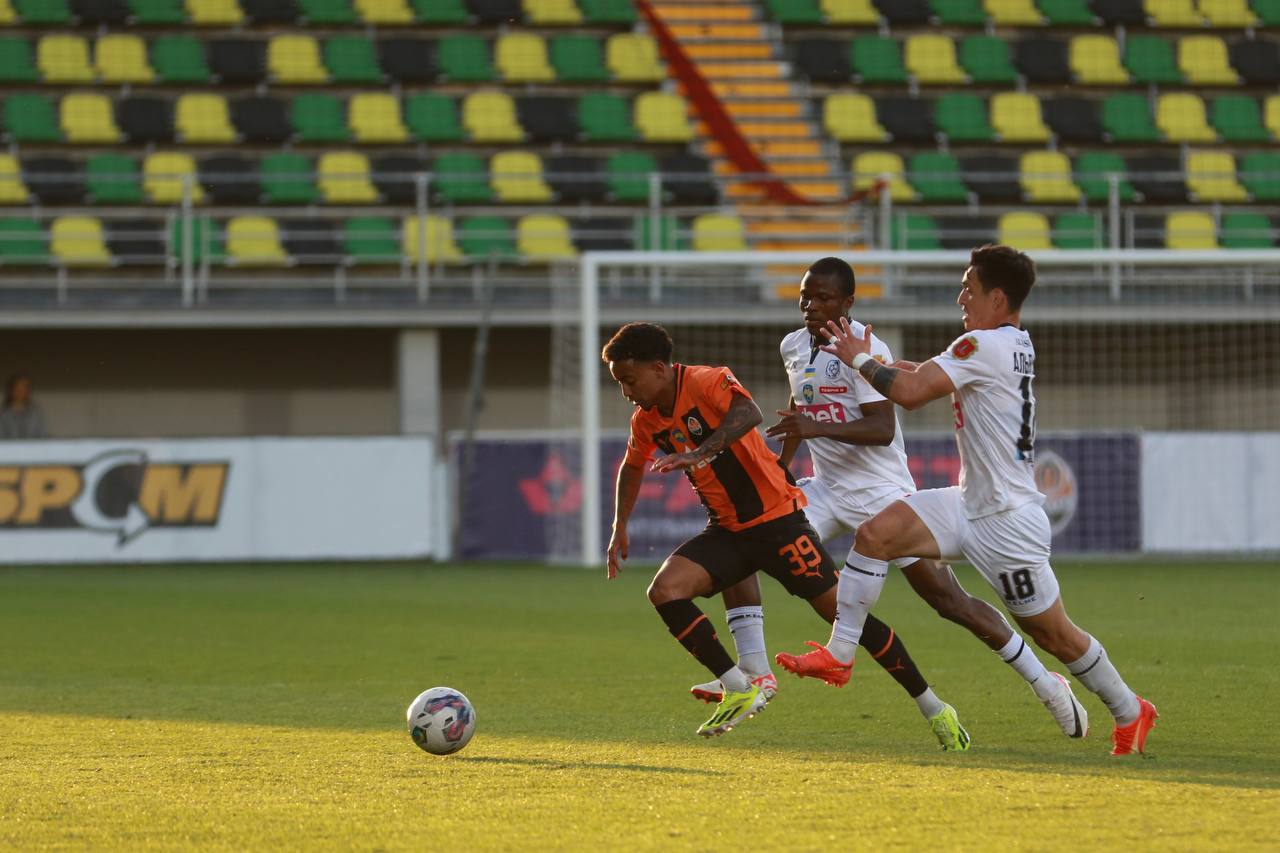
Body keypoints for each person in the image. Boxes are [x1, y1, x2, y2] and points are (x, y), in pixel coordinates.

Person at [779, 245, 1158, 755]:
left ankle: (1130, 709)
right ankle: (841, 654)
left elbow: (911, 394)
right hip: (965, 503)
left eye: (969, 289)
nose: (961, 298)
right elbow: (922, 373)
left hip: (1007, 522)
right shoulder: (1009, 343)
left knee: (1055, 636)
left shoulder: (982, 344)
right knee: (875, 535)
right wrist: (878, 362)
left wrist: (861, 360)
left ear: (997, 299)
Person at [695, 256, 1082, 741]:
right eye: (805, 297)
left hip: (883, 493)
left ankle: (1046, 683)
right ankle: (754, 673)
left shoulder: (867, 347)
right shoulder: (792, 345)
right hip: (827, 489)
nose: (811, 306)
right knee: (747, 540)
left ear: (848, 302)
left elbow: (881, 428)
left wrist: (816, 426)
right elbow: (800, 407)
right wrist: (782, 469)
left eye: (823, 298)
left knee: (948, 600)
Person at [603, 322, 968, 746]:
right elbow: (632, 467)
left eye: (629, 380)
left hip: (778, 522)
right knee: (665, 591)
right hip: (728, 530)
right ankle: (740, 686)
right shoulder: (646, 420)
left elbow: (749, 413)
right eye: (619, 383)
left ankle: (934, 707)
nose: (626, 391)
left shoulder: (705, 381)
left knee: (849, 620)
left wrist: (702, 451)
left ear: (659, 368)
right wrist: (619, 526)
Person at [0, 373, 49, 439]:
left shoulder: (36, 412)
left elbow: (42, 434)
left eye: (24, 388)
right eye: (18, 387)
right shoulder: (3, 413)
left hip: (33, 445)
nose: (20, 391)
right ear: (11, 389)